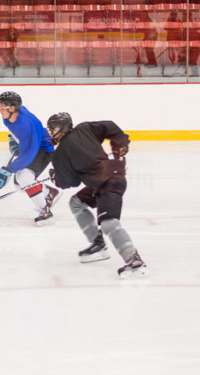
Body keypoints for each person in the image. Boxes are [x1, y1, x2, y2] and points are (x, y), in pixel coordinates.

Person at [45, 112, 149, 279]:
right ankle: (98, 244)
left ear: (62, 127)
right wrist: (121, 141)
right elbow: (110, 126)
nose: (51, 132)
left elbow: (69, 182)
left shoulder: (60, 155)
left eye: (53, 129)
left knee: (108, 223)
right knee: (77, 202)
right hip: (107, 179)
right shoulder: (85, 128)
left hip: (108, 183)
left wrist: (55, 177)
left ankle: (134, 261)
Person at [0, 91, 58, 226]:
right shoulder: (12, 115)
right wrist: (14, 139)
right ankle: (48, 192)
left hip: (43, 149)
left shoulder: (25, 125)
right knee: (19, 183)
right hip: (33, 144)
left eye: (2, 107)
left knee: (24, 178)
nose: (0, 110)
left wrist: (8, 170)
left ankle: (45, 211)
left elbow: (29, 153)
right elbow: (19, 132)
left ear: (12, 108)